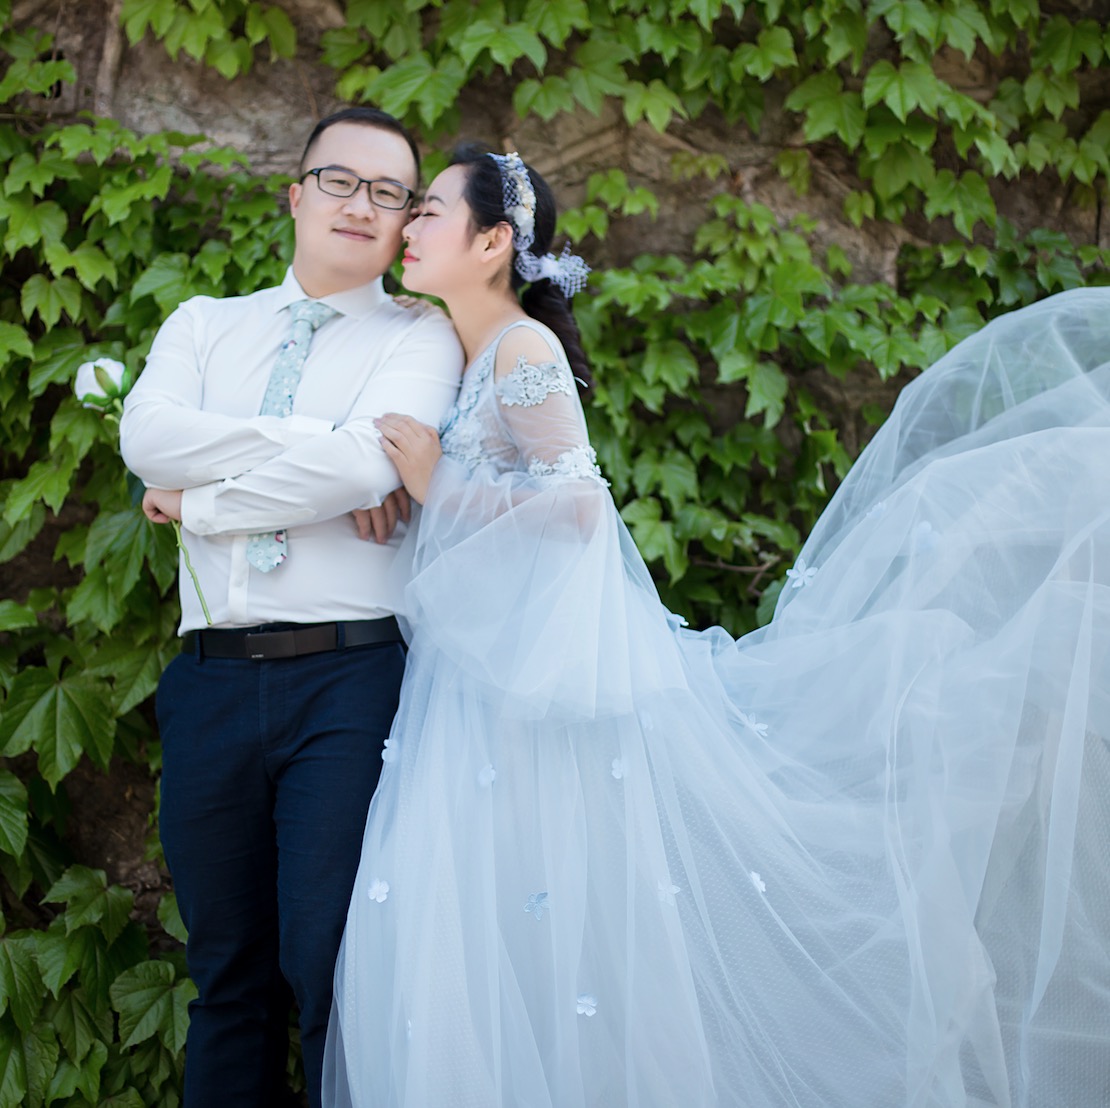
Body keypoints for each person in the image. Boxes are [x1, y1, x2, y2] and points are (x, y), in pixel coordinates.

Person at [323, 144, 1110, 1107]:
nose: (407, 225)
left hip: (528, 685)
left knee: (545, 904)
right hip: (480, 670)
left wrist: (436, 486)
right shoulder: (464, 353)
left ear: (491, 242)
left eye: (430, 211)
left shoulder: (521, 349)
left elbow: (574, 507)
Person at [119, 107, 463, 1108]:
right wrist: (322, 454)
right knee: (226, 978)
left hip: (351, 683)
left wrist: (198, 501)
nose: (362, 205)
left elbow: (368, 462)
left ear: (407, 221)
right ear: (296, 191)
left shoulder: (421, 336)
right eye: (341, 181)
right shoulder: (203, 325)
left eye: (390, 192)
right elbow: (150, 441)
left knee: (333, 969)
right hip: (211, 682)